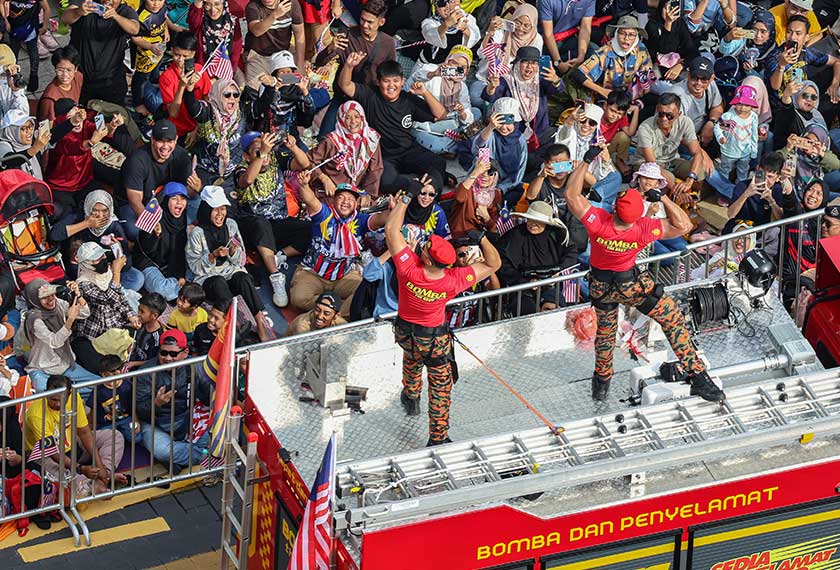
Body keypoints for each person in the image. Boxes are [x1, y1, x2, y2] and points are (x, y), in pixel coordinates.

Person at [564, 149, 725, 403]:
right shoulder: (642, 228)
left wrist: (586, 160)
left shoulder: (598, 221)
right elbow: (684, 225)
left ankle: (601, 385)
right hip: (631, 285)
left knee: (606, 336)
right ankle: (698, 377)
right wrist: (663, 199)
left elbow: (571, 194)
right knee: (671, 317)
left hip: (601, 286)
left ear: (615, 208)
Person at [385, 180, 501, 446]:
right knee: (440, 389)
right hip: (434, 339)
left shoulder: (408, 269)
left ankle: (411, 396)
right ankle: (437, 438)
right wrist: (481, 239)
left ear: (426, 258)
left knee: (411, 359)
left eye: (426, 247)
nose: (424, 245)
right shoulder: (454, 279)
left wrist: (407, 198)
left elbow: (392, 229)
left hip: (405, 331)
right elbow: (494, 263)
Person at [338, 56, 447, 195]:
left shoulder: (408, 99)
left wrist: (425, 93)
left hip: (409, 150)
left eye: (396, 81)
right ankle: (416, 183)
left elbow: (441, 115)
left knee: (439, 163)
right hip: (385, 156)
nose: (391, 86)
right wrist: (348, 66)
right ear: (378, 82)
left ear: (402, 81)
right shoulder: (370, 94)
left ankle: (429, 192)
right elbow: (345, 85)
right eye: (386, 81)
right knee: (386, 183)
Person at [291, 171, 390, 314]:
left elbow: (382, 219)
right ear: (333, 200)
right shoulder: (325, 214)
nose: (345, 202)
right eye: (341, 197)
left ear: (356, 204)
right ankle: (330, 310)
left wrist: (398, 207)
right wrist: (304, 185)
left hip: (344, 274)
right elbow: (311, 200)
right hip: (313, 272)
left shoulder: (361, 220)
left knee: (363, 292)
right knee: (299, 299)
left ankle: (331, 315)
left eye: (350, 199)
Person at [235, 130, 311, 307]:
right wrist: (262, 153)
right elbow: (247, 180)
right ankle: (275, 277)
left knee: (310, 228)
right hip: (251, 226)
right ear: (247, 156)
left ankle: (280, 255)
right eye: (257, 150)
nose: (265, 153)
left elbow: (304, 163)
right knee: (261, 223)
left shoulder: (275, 158)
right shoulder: (240, 168)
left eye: (266, 148)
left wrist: (293, 148)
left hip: (278, 222)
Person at [25, 374, 126, 496]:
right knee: (65, 480)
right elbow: (53, 452)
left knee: (115, 436)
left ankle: (104, 476)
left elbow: (84, 432)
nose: (57, 404)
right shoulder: (37, 414)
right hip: (45, 456)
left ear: (70, 393)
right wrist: (81, 468)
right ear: (46, 393)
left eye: (61, 399)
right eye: (53, 399)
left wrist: (101, 468)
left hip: (72, 444)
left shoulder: (74, 397)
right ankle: (91, 484)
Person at [186, 185, 271, 330]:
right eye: (215, 209)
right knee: (219, 282)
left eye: (223, 208)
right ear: (207, 210)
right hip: (209, 277)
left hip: (230, 272)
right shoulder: (197, 233)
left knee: (243, 278)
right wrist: (212, 256)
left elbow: (241, 261)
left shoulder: (231, 225)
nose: (220, 214)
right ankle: (235, 324)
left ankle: (260, 321)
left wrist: (233, 251)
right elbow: (196, 267)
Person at [313, 0, 395, 138]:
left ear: (381, 22)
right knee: (325, 139)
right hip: (344, 97)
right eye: (362, 20)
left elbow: (391, 74)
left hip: (370, 99)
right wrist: (331, 48)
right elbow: (319, 63)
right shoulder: (348, 35)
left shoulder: (387, 43)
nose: (364, 25)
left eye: (370, 22)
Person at [135, 329, 212, 471]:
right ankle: (204, 456)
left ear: (185, 352)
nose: (168, 358)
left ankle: (181, 458)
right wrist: (156, 404)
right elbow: (139, 409)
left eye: (173, 354)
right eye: (163, 353)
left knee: (218, 430)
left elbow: (210, 397)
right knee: (162, 450)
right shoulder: (146, 372)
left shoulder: (196, 366)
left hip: (189, 419)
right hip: (157, 423)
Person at [119, 119, 198, 240]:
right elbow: (135, 199)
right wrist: (150, 223)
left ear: (176, 139)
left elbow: (186, 193)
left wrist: (196, 188)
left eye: (170, 141)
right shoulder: (137, 160)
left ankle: (170, 230)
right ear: (152, 139)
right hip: (136, 204)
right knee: (135, 231)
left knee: (197, 202)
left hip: (165, 201)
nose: (165, 146)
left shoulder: (181, 156)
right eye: (161, 141)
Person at [498, 200, 578, 314]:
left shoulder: (557, 235)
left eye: (538, 221)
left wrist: (560, 271)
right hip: (522, 286)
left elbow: (571, 252)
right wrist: (523, 281)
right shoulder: (515, 235)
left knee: (552, 309)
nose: (533, 224)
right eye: (530, 219)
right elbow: (502, 261)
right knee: (527, 312)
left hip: (551, 283)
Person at [71, 242, 140, 374]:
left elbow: (120, 297)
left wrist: (130, 314)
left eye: (103, 256)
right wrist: (117, 272)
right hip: (91, 334)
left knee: (136, 344)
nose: (103, 260)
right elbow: (108, 298)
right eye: (97, 259)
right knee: (101, 366)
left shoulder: (108, 273)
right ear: (86, 263)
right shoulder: (82, 283)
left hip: (114, 325)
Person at [24, 279, 98, 393]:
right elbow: (54, 341)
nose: (50, 300)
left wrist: (77, 294)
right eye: (44, 297)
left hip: (65, 364)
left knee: (98, 383)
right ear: (34, 300)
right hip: (42, 368)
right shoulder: (34, 319)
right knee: (43, 395)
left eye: (51, 294)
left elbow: (84, 313)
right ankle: (67, 395)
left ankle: (69, 395)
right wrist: (70, 319)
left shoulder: (58, 303)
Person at [637, 92, 714, 200]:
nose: (664, 118)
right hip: (646, 164)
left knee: (700, 171)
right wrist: (675, 189)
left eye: (669, 115)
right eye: (660, 114)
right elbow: (652, 164)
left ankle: (693, 198)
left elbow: (697, 153)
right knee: (669, 178)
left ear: (678, 114)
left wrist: (690, 180)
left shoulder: (685, 122)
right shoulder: (645, 128)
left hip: (671, 160)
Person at [61, 0, 140, 105]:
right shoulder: (86, 3)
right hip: (80, 78)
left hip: (111, 80)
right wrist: (78, 12)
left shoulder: (125, 11)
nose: (108, 0)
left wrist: (116, 16)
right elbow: (64, 19)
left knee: (114, 114)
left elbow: (134, 29)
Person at [483, 46, 563, 150]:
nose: (529, 67)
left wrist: (556, 80)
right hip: (512, 134)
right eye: (525, 62)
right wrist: (491, 87)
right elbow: (490, 97)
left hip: (540, 133)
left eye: (534, 63)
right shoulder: (507, 80)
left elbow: (558, 90)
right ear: (517, 64)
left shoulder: (541, 80)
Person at [308, 101, 383, 199]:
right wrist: (324, 178)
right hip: (331, 193)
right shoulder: (331, 140)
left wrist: (367, 195)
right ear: (341, 119)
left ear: (362, 118)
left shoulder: (371, 139)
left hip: (355, 194)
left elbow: (375, 170)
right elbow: (309, 161)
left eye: (357, 117)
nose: (353, 121)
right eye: (347, 117)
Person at [472, 7, 543, 107]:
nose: (520, 28)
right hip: (486, 79)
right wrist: (490, 32)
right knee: (476, 98)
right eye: (518, 22)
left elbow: (533, 67)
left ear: (533, 26)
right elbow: (482, 53)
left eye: (526, 25)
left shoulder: (537, 39)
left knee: (503, 107)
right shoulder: (501, 31)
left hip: (514, 86)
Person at [524, 143, 588, 252]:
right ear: (546, 164)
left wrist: (581, 167)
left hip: (575, 236)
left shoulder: (574, 180)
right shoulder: (541, 182)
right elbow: (530, 195)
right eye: (555, 163)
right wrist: (541, 175)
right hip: (550, 236)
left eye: (563, 163)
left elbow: (593, 183)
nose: (560, 168)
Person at [574, 15, 653, 101]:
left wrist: (637, 100)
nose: (626, 38)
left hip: (632, 96)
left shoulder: (641, 50)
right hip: (610, 98)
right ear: (616, 34)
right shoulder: (606, 51)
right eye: (622, 33)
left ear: (636, 37)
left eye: (631, 35)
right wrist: (602, 91)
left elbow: (647, 76)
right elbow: (579, 74)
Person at [133, 182, 190, 301]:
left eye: (183, 198)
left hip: (169, 264)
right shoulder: (154, 215)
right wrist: (155, 235)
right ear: (166, 200)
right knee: (161, 289)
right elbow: (147, 250)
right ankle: (180, 290)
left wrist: (180, 275)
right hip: (149, 262)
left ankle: (178, 287)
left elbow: (179, 252)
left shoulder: (182, 219)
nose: (179, 202)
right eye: (174, 198)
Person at [158, 32, 213, 139]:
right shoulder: (166, 77)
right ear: (172, 50)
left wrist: (197, 129)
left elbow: (208, 102)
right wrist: (182, 87)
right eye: (177, 55)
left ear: (193, 54)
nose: (180, 60)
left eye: (185, 56)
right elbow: (173, 113)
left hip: (200, 127)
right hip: (178, 130)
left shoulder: (200, 71)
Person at [243, 0, 305, 91]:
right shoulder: (253, 6)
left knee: (297, 86)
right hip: (260, 55)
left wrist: (300, 64)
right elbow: (256, 31)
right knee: (256, 91)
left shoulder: (291, 4)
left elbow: (299, 34)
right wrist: (275, 15)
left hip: (283, 53)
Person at [714, 84, 759, 184]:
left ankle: (740, 190)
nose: (743, 108)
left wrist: (754, 151)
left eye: (747, 105)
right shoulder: (729, 116)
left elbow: (754, 135)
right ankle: (723, 190)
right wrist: (721, 137)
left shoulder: (753, 117)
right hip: (729, 151)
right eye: (740, 104)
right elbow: (718, 127)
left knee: (743, 172)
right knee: (724, 170)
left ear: (752, 106)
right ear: (735, 103)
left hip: (745, 152)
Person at [449, 156, 502, 238]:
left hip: (480, 237)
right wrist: (476, 172)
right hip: (460, 235)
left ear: (495, 176)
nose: (485, 176)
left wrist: (486, 217)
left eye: (490, 173)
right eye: (482, 173)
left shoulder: (496, 194)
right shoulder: (468, 187)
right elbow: (459, 197)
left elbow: (493, 229)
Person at [187, 0, 243, 74]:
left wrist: (230, 73)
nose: (213, 9)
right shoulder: (200, 20)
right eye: (208, 5)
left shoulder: (233, 22)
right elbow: (193, 23)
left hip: (226, 70)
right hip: (202, 72)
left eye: (217, 4)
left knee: (242, 83)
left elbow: (236, 49)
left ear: (224, 4)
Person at [6, 0, 50, 93]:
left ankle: (32, 78)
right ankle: (15, 76)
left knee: (30, 51)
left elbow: (47, 8)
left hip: (30, 27)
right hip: (14, 27)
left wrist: (45, 25)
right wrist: (5, 21)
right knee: (15, 53)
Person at [539, 0, 595, 71]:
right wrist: (558, 62)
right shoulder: (547, 1)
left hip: (568, 38)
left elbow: (585, 29)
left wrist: (581, 56)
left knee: (593, 52)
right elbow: (548, 34)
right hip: (546, 42)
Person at [0, 108, 51, 180]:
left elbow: (53, 136)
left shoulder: (32, 141)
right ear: (11, 131)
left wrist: (71, 122)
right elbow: (10, 161)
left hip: (36, 188)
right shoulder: (3, 145)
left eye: (31, 126)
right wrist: (35, 148)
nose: (29, 131)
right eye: (24, 128)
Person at [38, 46, 84, 122]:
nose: (65, 75)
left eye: (69, 70)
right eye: (60, 70)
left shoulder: (78, 77)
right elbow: (48, 128)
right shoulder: (50, 99)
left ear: (76, 69)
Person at [127, 292, 165, 369]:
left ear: (154, 315)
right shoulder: (142, 324)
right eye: (139, 310)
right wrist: (133, 346)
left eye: (142, 311)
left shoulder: (157, 338)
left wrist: (133, 364)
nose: (138, 314)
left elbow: (153, 360)